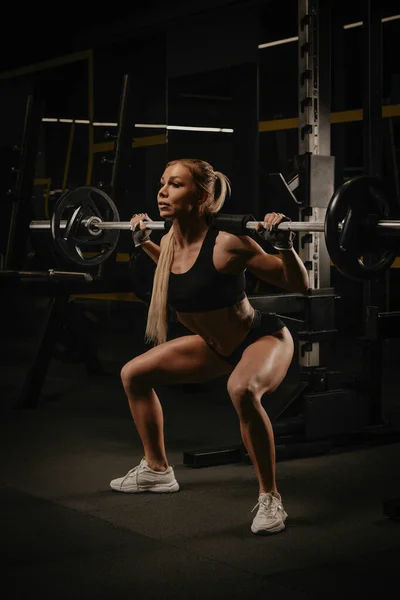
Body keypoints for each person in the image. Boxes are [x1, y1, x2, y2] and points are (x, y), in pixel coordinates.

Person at [110, 158, 309, 535]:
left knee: (242, 390)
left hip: (262, 338)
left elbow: (297, 284)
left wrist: (284, 246)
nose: (163, 192)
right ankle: (157, 470)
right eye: (162, 183)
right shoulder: (168, 241)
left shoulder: (229, 243)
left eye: (176, 185)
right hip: (215, 346)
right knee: (133, 374)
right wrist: (146, 244)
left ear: (201, 196)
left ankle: (270, 498)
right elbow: (182, 276)